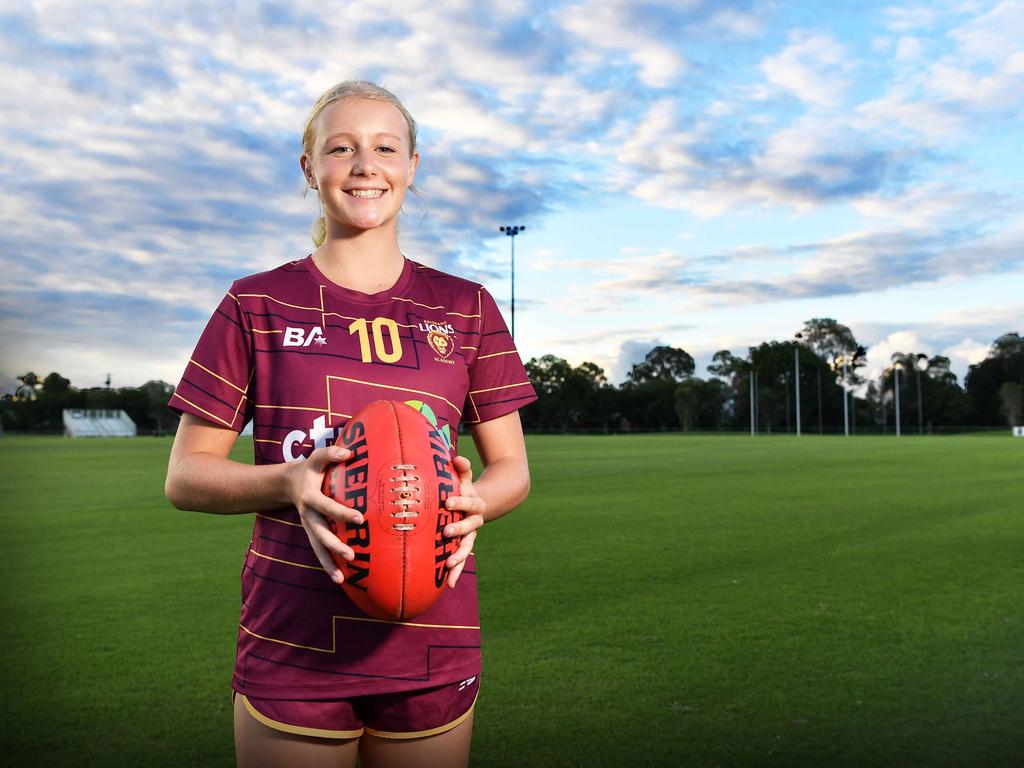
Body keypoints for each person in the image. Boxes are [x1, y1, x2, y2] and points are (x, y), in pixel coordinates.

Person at [164, 80, 536, 768]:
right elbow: (186, 477)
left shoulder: (467, 306)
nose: (366, 165)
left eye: (385, 147)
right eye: (342, 148)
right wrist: (291, 482)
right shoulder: (256, 302)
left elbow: (512, 470)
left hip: (434, 634)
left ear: (412, 167)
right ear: (311, 169)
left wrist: (475, 501)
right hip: (294, 639)